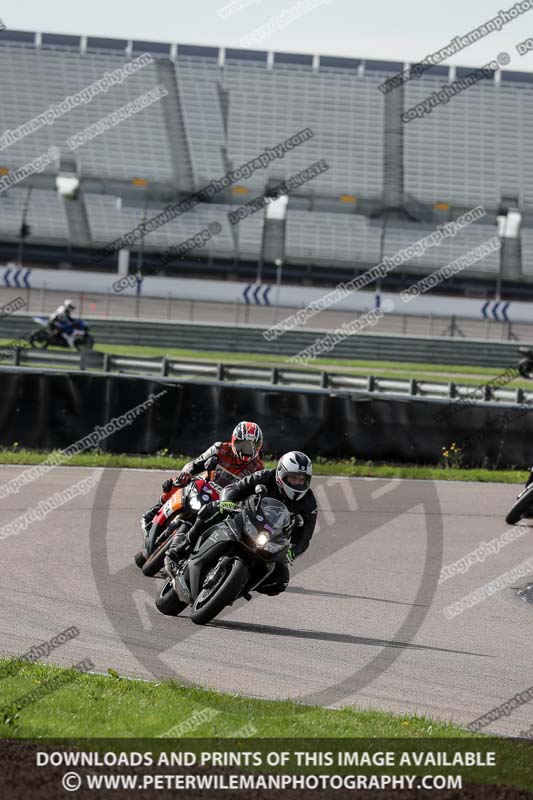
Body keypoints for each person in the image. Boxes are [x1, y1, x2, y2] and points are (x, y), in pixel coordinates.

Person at [165, 451, 317, 597]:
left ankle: (237, 587)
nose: (298, 483)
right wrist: (227, 502)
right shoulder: (265, 476)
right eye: (293, 478)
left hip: (271, 540)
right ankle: (183, 547)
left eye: (301, 479)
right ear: (281, 475)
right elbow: (235, 487)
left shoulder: (309, 503)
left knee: (280, 581)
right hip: (245, 517)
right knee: (212, 509)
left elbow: (305, 537)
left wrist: (293, 552)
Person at [141, 421, 264, 531]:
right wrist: (186, 474)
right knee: (173, 484)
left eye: (252, 446)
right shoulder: (219, 449)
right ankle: (156, 509)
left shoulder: (257, 468)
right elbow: (194, 464)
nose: (247, 450)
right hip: (203, 487)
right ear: (234, 440)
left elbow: (252, 496)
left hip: (223, 503)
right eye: (243, 444)